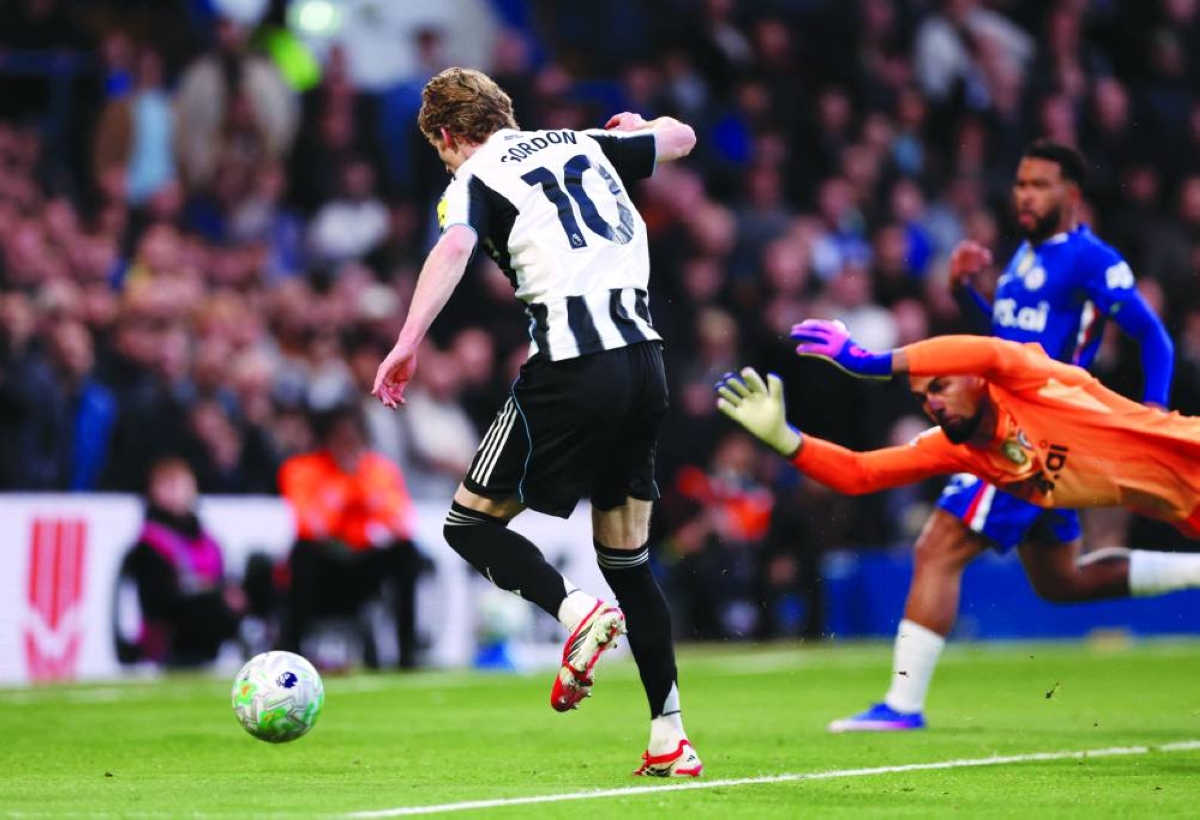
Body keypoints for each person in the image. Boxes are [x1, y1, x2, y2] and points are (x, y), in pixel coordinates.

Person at [372, 67, 702, 777]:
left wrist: (406, 343)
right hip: (646, 366)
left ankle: (575, 611)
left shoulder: (472, 179)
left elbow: (456, 246)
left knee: (469, 525)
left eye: (441, 150)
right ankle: (669, 734)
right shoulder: (579, 141)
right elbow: (682, 137)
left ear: (451, 136)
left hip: (572, 367)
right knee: (630, 564)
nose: (446, 161)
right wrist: (634, 127)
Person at [835, 140, 1175, 732]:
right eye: (1020, 183)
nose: (1024, 194)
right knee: (1060, 581)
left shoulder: (1090, 260)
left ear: (1070, 194)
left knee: (937, 545)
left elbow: (1154, 337)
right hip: (1023, 431)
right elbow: (997, 345)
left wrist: (1155, 414)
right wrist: (965, 292)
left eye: (1039, 184)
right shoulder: (1024, 257)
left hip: (1028, 435)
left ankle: (902, 706)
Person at [715, 321, 1200, 666]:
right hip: (1187, 510)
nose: (933, 403)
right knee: (1057, 582)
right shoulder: (961, 448)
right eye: (923, 397)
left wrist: (868, 361)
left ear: (975, 379)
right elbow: (860, 473)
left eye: (941, 386)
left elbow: (986, 352)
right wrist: (785, 439)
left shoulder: (1028, 378)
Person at [278, 404, 423, 669]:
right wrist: (348, 492)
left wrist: (358, 495)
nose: (347, 447)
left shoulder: (380, 470)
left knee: (407, 553)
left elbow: (399, 522)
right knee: (303, 553)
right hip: (325, 566)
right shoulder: (301, 469)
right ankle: (290, 652)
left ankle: (407, 655)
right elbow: (311, 526)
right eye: (340, 439)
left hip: (365, 565)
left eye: (354, 439)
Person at [117, 458, 243, 666]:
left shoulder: (206, 539)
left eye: (181, 484)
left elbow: (221, 576)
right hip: (173, 626)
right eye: (167, 485)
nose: (176, 492)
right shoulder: (150, 542)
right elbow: (157, 596)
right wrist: (209, 589)